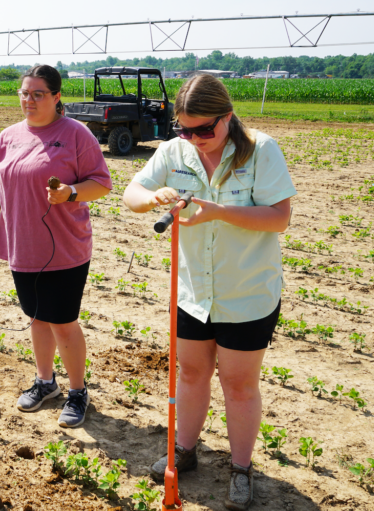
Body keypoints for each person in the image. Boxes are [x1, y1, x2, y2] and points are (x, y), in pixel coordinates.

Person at [122, 74, 296, 511]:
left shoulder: (260, 150)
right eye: (186, 129)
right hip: (193, 291)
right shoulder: (173, 151)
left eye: (206, 129)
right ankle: (185, 452)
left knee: (238, 384)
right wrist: (151, 197)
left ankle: (240, 469)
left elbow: (278, 218)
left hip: (248, 292)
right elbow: (130, 192)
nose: (197, 139)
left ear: (228, 116)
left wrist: (216, 212)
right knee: (192, 374)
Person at [0, 64, 112, 428]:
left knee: (63, 323)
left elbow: (101, 182)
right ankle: (46, 382)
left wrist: (70, 193)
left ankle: (78, 392)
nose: (28, 100)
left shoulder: (76, 134)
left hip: (65, 248)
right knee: (37, 318)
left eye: (37, 94)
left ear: (56, 96)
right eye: (24, 93)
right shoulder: (7, 137)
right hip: (22, 247)